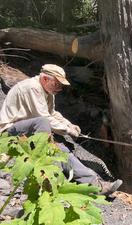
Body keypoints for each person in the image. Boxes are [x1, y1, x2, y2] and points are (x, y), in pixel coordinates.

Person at [0, 64, 122, 196]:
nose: (60, 88)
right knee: (45, 127)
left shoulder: (47, 91)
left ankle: (94, 184)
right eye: (57, 83)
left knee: (62, 151)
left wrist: (69, 125)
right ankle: (51, 171)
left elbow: (52, 113)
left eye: (61, 85)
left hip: (29, 132)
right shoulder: (32, 87)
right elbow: (42, 117)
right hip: (9, 133)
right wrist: (66, 130)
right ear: (45, 79)